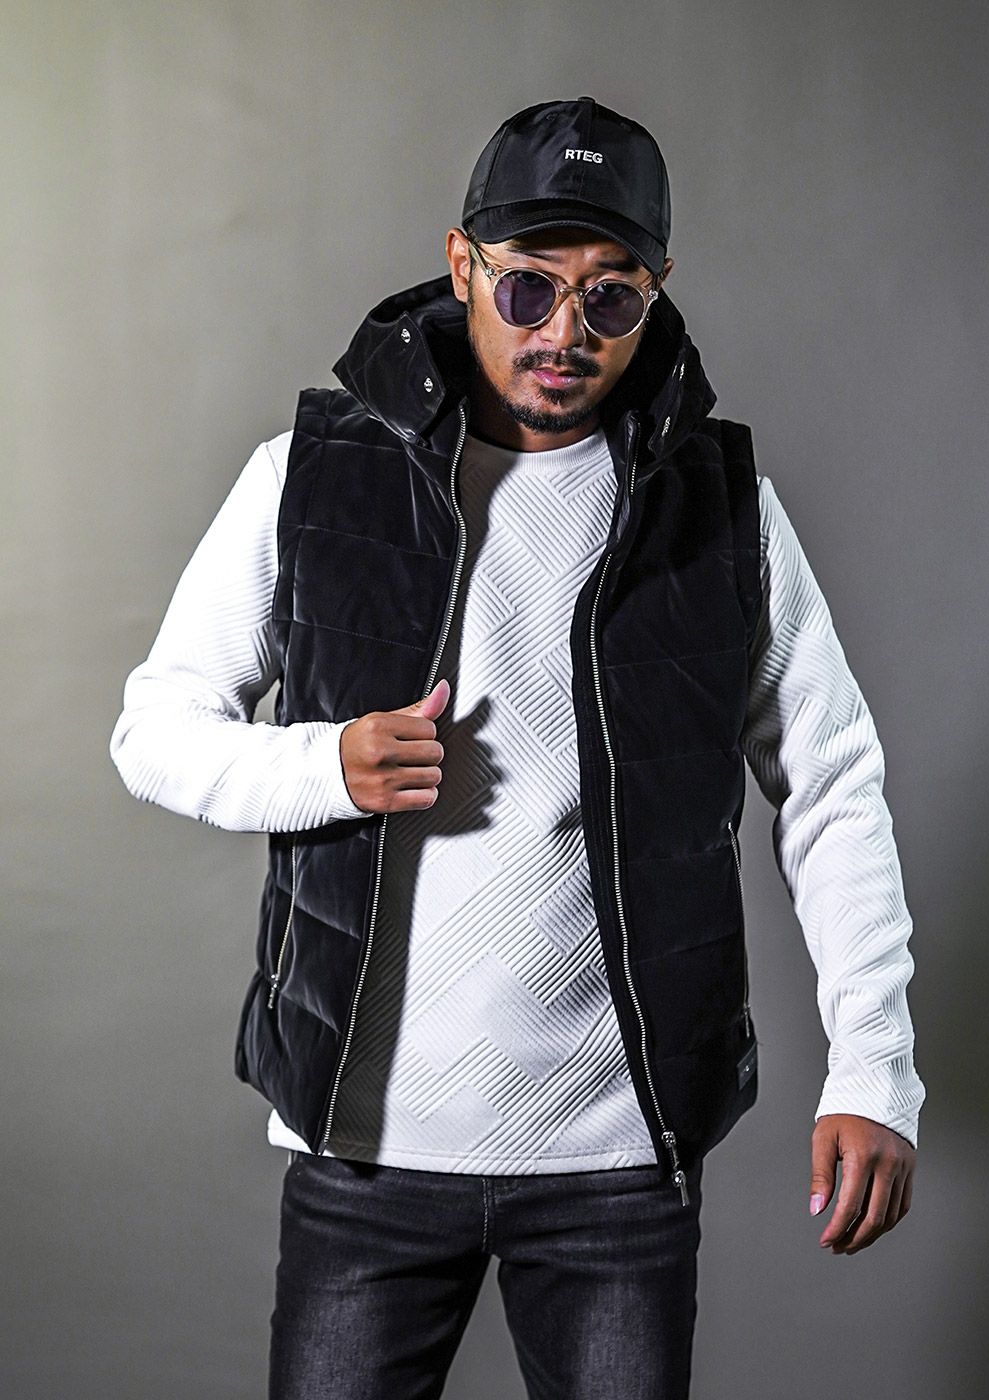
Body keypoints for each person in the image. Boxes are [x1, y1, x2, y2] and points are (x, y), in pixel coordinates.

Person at [110, 96, 925, 1400]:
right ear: (462, 265)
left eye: (612, 297)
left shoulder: (721, 509)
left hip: (617, 1158)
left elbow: (832, 786)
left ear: (655, 293)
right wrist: (323, 767)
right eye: (531, 286)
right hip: (366, 1144)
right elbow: (154, 729)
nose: (564, 332)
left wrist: (876, 1067)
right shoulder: (311, 474)